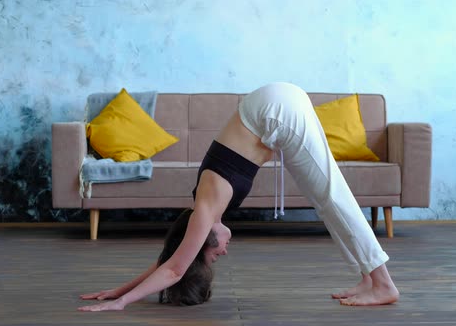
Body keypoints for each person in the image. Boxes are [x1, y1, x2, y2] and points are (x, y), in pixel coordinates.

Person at [78, 82, 399, 311]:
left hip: (277, 111)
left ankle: (383, 283)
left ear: (205, 240)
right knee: (325, 201)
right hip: (273, 104)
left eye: (213, 255)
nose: (224, 253)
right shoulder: (202, 207)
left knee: (333, 198)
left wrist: (122, 303)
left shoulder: (205, 211)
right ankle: (369, 278)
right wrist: (119, 290)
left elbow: (175, 269)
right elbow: (171, 259)